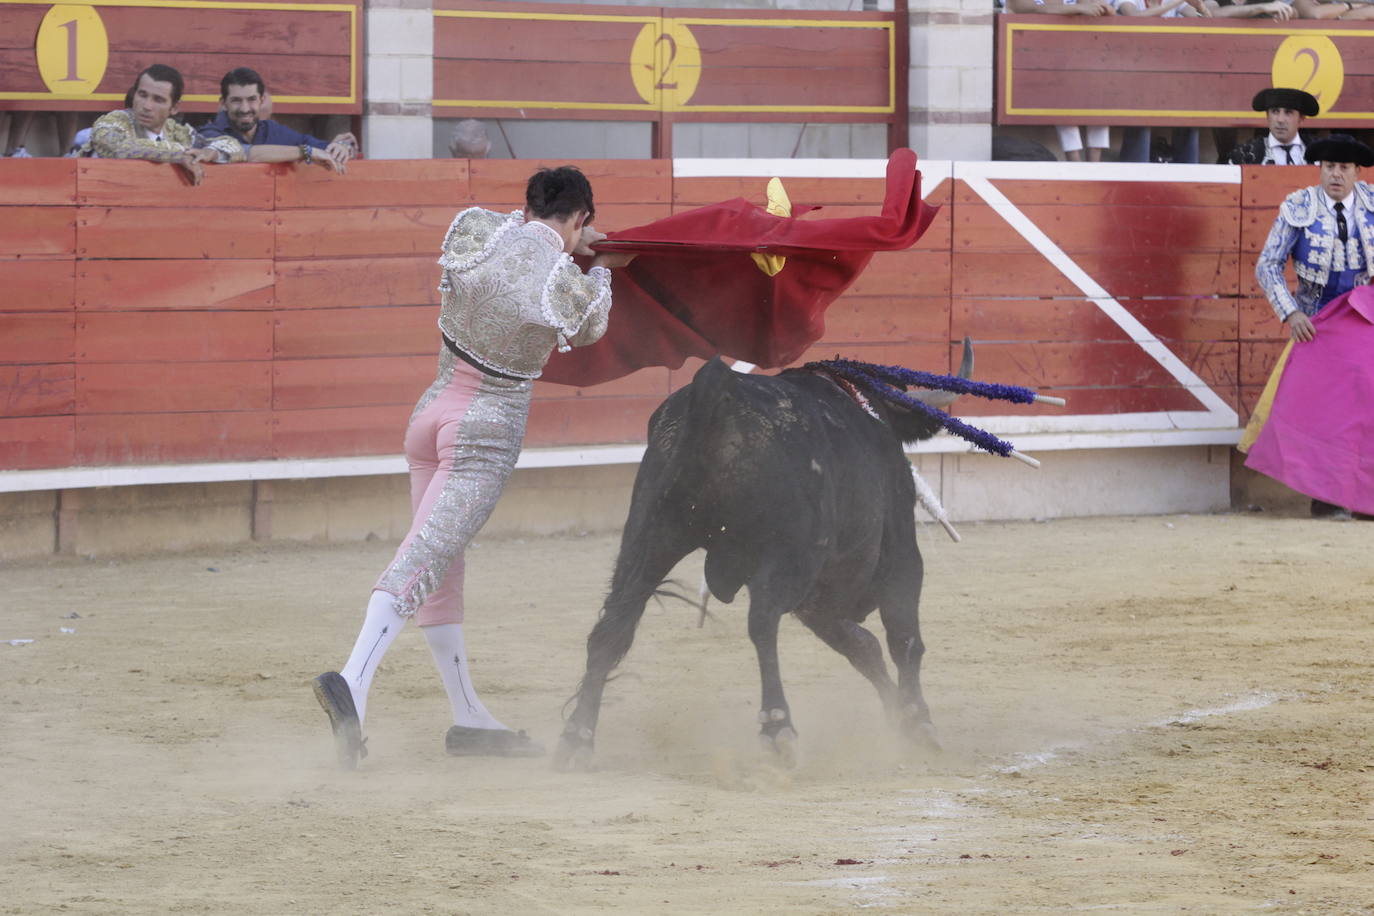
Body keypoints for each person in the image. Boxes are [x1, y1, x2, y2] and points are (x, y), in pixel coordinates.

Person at [312, 166, 637, 768]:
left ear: (528, 205)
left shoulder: (479, 231)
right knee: (420, 563)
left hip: (429, 413)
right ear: (581, 217)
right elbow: (591, 326)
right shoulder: (566, 282)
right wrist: (596, 266)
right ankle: (353, 684)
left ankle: (469, 719)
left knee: (440, 565)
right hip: (482, 434)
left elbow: (519, 245)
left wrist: (564, 241)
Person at [1248, 133, 1374, 519]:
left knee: (1367, 411)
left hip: (1363, 320)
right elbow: (1267, 264)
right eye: (1329, 167)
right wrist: (1291, 313)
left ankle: (1366, 499)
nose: (1335, 175)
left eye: (1343, 168)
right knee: (1323, 416)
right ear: (1320, 169)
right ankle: (1327, 498)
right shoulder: (1299, 206)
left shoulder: (1372, 205)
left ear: (1356, 172)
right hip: (1317, 323)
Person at [87, 64, 243, 185]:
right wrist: (178, 154)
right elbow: (117, 147)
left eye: (158, 100)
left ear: (174, 108)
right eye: (142, 95)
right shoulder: (114, 121)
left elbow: (234, 147)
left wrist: (210, 152)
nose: (147, 106)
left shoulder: (177, 132)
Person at [1006, 0, 1116, 162]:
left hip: (1075, 56)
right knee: (1062, 98)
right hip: (1037, 60)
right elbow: (1028, 8)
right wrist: (1077, 8)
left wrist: (1105, 10)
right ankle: (1075, 164)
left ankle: (1094, 166)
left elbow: (1101, 8)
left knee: (1097, 98)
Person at [198, 67, 355, 173]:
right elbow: (244, 152)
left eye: (252, 99)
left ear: (261, 100)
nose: (245, 108)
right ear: (223, 103)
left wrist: (342, 147)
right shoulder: (208, 134)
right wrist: (306, 152)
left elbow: (322, 148)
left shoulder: (272, 130)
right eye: (236, 100)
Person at [1228, 87, 1318, 165]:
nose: (1280, 120)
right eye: (1275, 112)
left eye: (1288, 112)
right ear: (1267, 116)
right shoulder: (1245, 154)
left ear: (1301, 118)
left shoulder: (1321, 152)